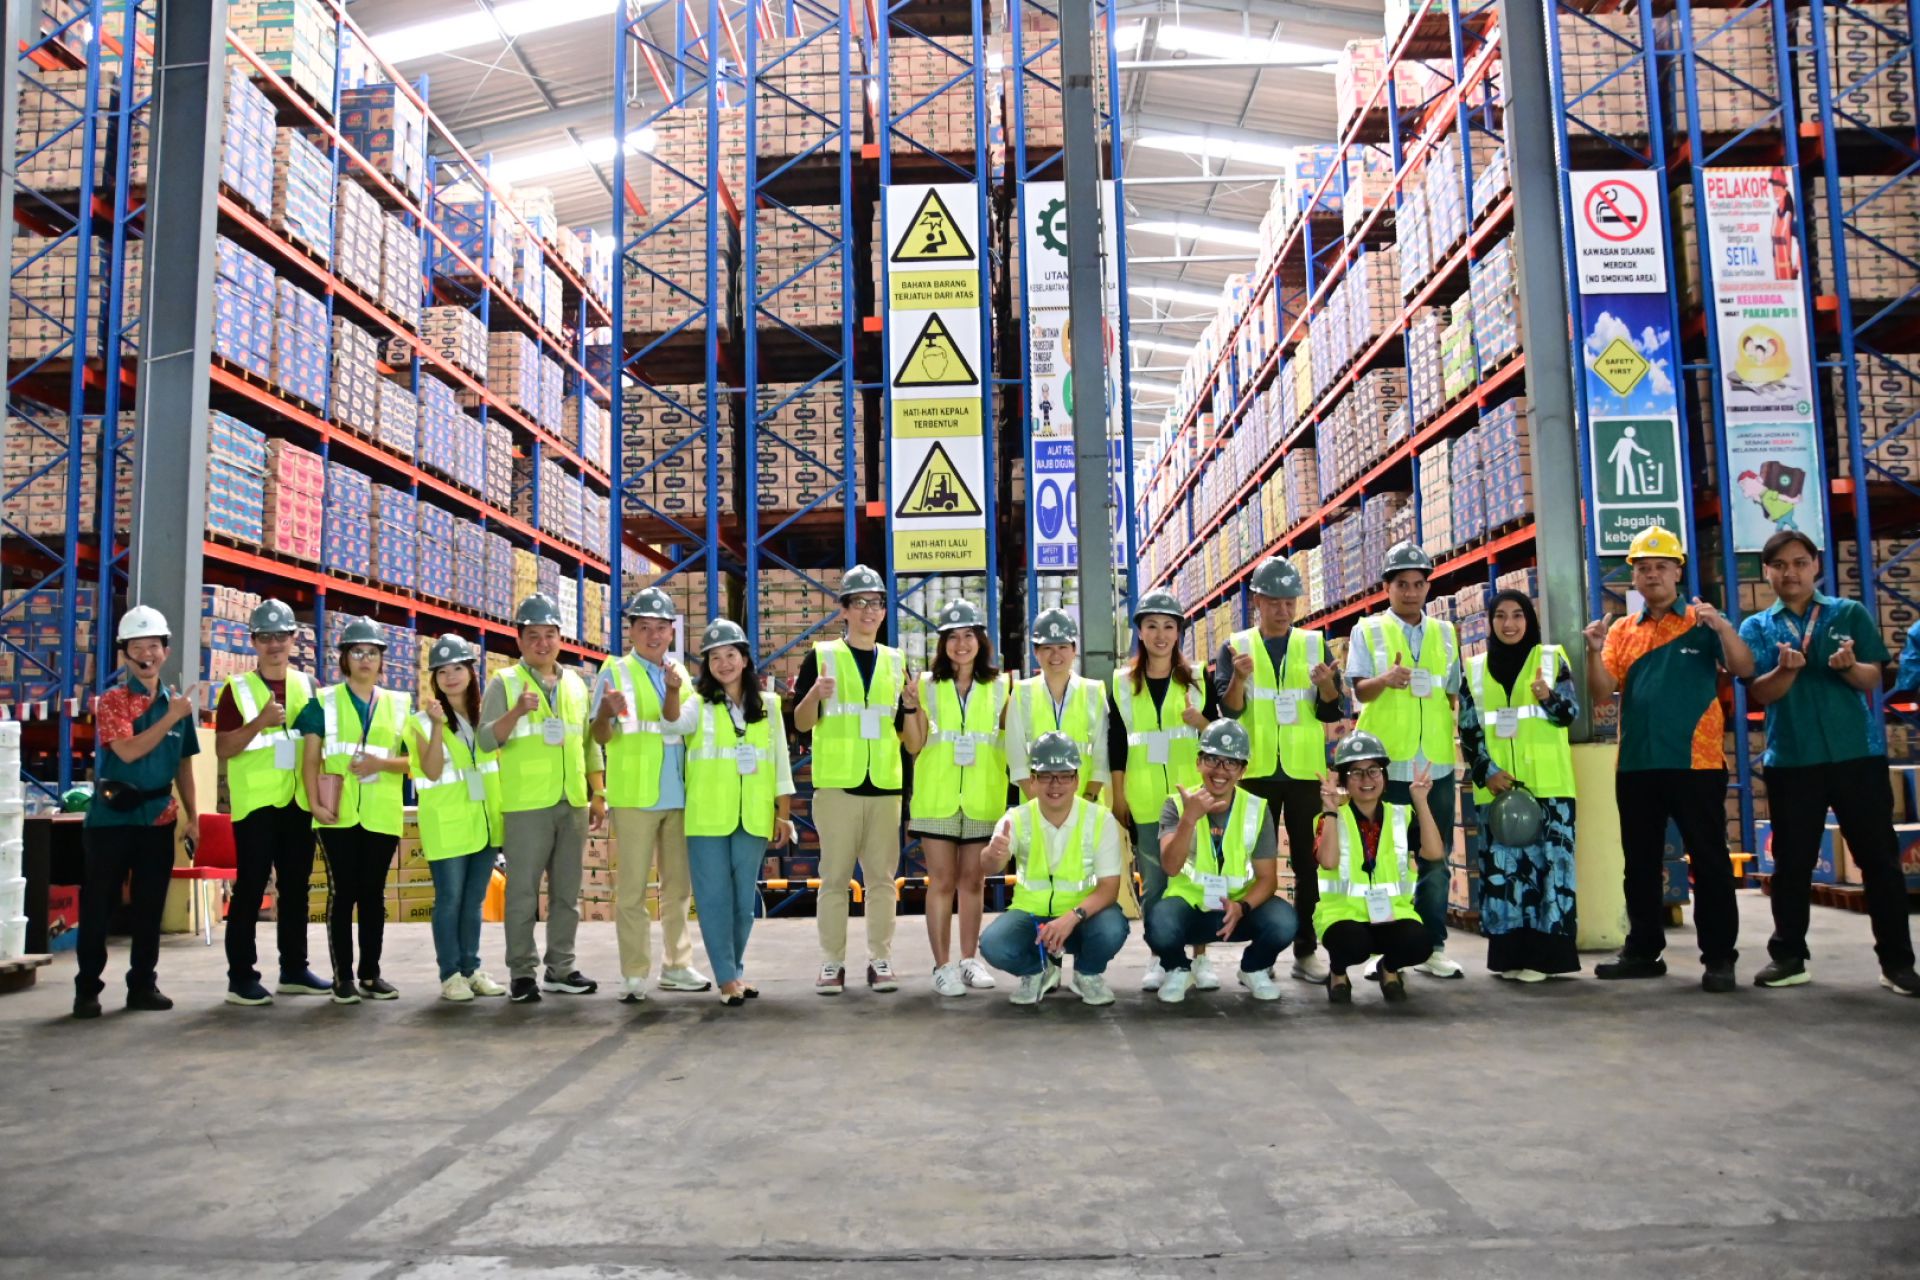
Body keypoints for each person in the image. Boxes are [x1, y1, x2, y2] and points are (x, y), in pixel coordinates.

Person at [1737, 530, 1918, 996]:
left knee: (1880, 861)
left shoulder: (1848, 613)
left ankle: (1897, 963)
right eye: (1780, 565)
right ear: (1767, 572)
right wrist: (1786, 670)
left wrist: (1849, 667)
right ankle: (1789, 957)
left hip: (1857, 755)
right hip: (1792, 759)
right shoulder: (1757, 627)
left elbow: (1872, 678)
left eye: (1799, 563)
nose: (1790, 573)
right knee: (1792, 864)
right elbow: (1761, 692)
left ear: (1815, 566)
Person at [1585, 524, 1755, 992]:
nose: (1652, 574)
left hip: (1697, 763)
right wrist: (1594, 652)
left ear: (1678, 572)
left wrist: (1722, 626)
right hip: (1637, 764)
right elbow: (1601, 692)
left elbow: (1743, 667)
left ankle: (1719, 957)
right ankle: (1643, 950)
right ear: (1634, 577)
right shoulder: (1622, 630)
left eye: (1661, 566)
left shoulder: (1702, 622)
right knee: (1640, 863)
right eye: (1643, 567)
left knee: (1710, 860)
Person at [1214, 558, 1346, 988]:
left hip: (1305, 771)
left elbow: (1331, 709)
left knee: (1309, 865)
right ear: (1257, 601)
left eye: (1290, 602)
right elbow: (1229, 712)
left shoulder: (1314, 644)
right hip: (1255, 772)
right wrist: (1238, 678)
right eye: (1275, 602)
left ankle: (1306, 950)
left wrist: (1327, 685)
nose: (1284, 610)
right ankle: (1261, 954)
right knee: (1256, 863)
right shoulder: (1236, 646)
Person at [73, 606, 203, 1019]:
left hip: (159, 818)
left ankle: (143, 985)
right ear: (124, 654)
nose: (146, 654)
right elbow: (128, 751)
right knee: (99, 906)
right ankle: (87, 989)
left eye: (153, 646)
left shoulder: (176, 705)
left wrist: (194, 817)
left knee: (150, 907)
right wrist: (170, 717)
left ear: (166, 651)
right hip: (112, 820)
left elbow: (184, 764)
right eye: (137, 647)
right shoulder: (113, 701)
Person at [480, 593, 605, 1004]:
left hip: (572, 802)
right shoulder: (503, 683)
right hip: (527, 806)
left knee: (567, 893)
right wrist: (516, 711)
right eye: (533, 635)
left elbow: (588, 743)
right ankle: (521, 972)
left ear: (560, 638)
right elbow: (485, 740)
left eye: (549, 634)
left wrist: (598, 792)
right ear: (518, 640)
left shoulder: (576, 684)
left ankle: (561, 967)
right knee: (523, 893)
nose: (542, 643)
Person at [791, 564, 910, 995]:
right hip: (838, 786)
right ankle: (832, 963)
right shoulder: (821, 657)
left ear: (884, 611)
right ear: (843, 610)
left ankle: (880, 959)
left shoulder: (896, 662)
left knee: (882, 880)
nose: (868, 611)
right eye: (859, 603)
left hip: (884, 787)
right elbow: (800, 724)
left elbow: (905, 728)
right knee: (835, 879)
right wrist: (813, 695)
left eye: (875, 603)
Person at [1347, 540, 1464, 979]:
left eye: (1418, 584)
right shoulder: (1368, 630)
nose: (1411, 592)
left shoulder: (1445, 634)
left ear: (1428, 587)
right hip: (1385, 767)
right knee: (1383, 859)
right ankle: (1383, 948)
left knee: (1435, 859)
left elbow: (1450, 693)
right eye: (1402, 584)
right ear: (1387, 588)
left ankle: (1432, 946)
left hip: (1435, 765)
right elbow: (1360, 692)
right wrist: (1385, 679)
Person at [591, 587, 708, 1002]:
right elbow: (599, 735)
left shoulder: (682, 676)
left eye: (661, 627)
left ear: (672, 632)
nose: (654, 635)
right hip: (635, 795)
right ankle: (634, 972)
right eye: (645, 627)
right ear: (632, 631)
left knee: (677, 888)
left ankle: (676, 965)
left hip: (679, 794)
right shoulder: (614, 671)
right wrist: (604, 713)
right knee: (632, 891)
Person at [1458, 592, 1581, 981]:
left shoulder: (1551, 659)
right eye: (1500, 616)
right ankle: (1510, 957)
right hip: (1499, 789)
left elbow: (1569, 714)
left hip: (1549, 786)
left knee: (1550, 872)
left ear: (1529, 620)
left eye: (1517, 615)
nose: (1509, 624)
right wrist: (1486, 771)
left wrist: (1548, 697)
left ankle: (1546, 959)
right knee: (1504, 873)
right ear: (1490, 622)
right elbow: (1468, 730)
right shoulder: (1474, 669)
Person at [214, 598, 330, 1006]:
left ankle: (294, 969)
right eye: (265, 637)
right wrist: (259, 723)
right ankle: (241, 977)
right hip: (258, 805)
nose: (274, 644)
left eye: (281, 636)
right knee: (249, 888)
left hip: (298, 802)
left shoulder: (309, 686)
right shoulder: (237, 690)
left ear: (294, 639)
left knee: (296, 888)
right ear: (254, 642)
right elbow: (223, 748)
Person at [298, 617, 412, 1004]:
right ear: (344, 658)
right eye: (357, 652)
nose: (365, 659)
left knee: (373, 895)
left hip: (381, 814)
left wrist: (381, 764)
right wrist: (315, 803)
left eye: (373, 653)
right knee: (343, 892)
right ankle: (342, 976)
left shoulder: (399, 705)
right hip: (338, 814)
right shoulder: (324, 702)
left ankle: (370, 974)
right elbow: (310, 760)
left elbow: (413, 762)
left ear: (382, 660)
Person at [901, 599, 1010, 997]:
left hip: (983, 796)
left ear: (980, 640)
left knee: (973, 881)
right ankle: (942, 966)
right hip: (937, 797)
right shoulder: (926, 686)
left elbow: (1009, 741)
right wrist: (909, 707)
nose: (961, 644)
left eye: (968, 635)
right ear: (942, 643)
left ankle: (968, 960)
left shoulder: (1002, 687)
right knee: (942, 881)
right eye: (952, 637)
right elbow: (914, 744)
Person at [685, 619, 797, 1006]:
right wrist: (671, 692)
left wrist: (783, 815)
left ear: (745, 659)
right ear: (707, 665)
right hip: (707, 816)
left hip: (752, 815)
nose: (724, 663)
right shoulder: (696, 704)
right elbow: (672, 723)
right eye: (715, 657)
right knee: (714, 898)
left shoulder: (768, 705)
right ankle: (726, 978)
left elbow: (780, 763)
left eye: (731, 655)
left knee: (743, 903)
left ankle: (735, 970)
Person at [1146, 719, 1298, 1004]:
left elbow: (1267, 879)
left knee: (1283, 921)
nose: (1220, 770)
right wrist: (1189, 818)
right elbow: (1171, 866)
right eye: (1212, 759)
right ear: (1198, 762)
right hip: (1190, 906)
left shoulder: (1256, 808)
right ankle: (1178, 969)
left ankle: (1253, 968)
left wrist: (1243, 906)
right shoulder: (1176, 804)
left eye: (1231, 763)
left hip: (1238, 908)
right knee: (1158, 923)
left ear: (1242, 770)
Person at [976, 733, 1130, 1006]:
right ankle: (1039, 970)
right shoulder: (1016, 818)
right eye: (1046, 776)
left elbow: (1109, 888)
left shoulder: (1099, 819)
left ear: (1077, 780)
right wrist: (992, 854)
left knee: (1112, 928)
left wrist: (1071, 917)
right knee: (993, 944)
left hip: (1082, 916)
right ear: (1033, 780)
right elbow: (989, 865)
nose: (1055, 784)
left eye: (1064, 776)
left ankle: (1087, 974)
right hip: (1031, 916)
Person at [1110, 590, 1213, 991]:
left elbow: (1218, 736)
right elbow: (1116, 743)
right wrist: (1119, 795)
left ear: (1179, 633)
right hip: (1145, 798)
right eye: (1151, 626)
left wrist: (1199, 720)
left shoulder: (1198, 679)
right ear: (1139, 631)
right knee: (1154, 883)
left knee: (1197, 877)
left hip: (1191, 799)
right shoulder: (1122, 683)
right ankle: (1160, 956)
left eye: (1169, 626)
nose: (1160, 634)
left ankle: (1200, 958)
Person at [408, 634, 509, 1002]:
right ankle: (450, 974)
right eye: (442, 671)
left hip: (485, 822)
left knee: (473, 901)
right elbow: (433, 770)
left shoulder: (487, 719)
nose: (450, 677)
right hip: (447, 824)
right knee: (449, 900)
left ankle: (471, 969)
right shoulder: (420, 723)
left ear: (471, 672)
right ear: (434, 679)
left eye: (458, 668)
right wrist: (437, 726)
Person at [1313, 732, 1445, 1004]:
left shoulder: (1401, 815)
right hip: (1344, 916)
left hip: (1393, 914)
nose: (1366, 780)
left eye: (1373, 771)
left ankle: (1389, 968)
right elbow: (1328, 862)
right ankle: (1337, 973)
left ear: (1384, 776)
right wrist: (1330, 811)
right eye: (1356, 773)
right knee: (1352, 943)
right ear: (1344, 781)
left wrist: (1421, 801)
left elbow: (1434, 853)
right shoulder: (1329, 818)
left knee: (1421, 943)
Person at [1005, 608, 1110, 803]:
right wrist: (1043, 806)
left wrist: (1086, 801)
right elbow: (1016, 758)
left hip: (1087, 804)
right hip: (1036, 806)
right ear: (1036, 652)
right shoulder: (1021, 694)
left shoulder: (1093, 692)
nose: (1055, 655)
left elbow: (1102, 756)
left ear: (1074, 650)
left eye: (1062, 647)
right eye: (1047, 648)